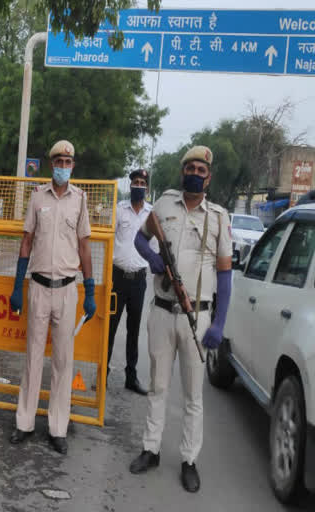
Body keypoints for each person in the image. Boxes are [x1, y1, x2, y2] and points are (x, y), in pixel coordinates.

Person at [128, 145, 232, 493]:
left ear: (209, 177)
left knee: (192, 396)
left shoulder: (218, 217)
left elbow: (226, 275)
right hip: (160, 310)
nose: (195, 174)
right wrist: (155, 262)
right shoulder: (163, 206)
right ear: (182, 170)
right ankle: (151, 449)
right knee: (157, 387)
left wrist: (219, 324)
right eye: (190, 168)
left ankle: (189, 459)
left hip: (197, 317)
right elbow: (140, 241)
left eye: (201, 170)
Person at [8, 140, 96, 454]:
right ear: (51, 165)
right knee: (32, 357)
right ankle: (24, 422)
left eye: (67, 161)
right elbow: (26, 242)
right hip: (39, 288)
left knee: (62, 360)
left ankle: (58, 428)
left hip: (68, 290)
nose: (62, 166)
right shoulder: (37, 198)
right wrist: (18, 285)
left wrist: (89, 287)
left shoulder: (80, 200)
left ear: (73, 166)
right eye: (57, 161)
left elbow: (84, 246)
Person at [107, 169, 152, 395]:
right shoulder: (119, 210)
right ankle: (102, 374)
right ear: (130, 184)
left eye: (142, 182)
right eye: (135, 182)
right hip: (117, 278)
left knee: (133, 330)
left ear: (147, 188)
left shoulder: (151, 214)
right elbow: (108, 241)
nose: (138, 185)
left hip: (138, 281)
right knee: (110, 327)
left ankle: (131, 377)